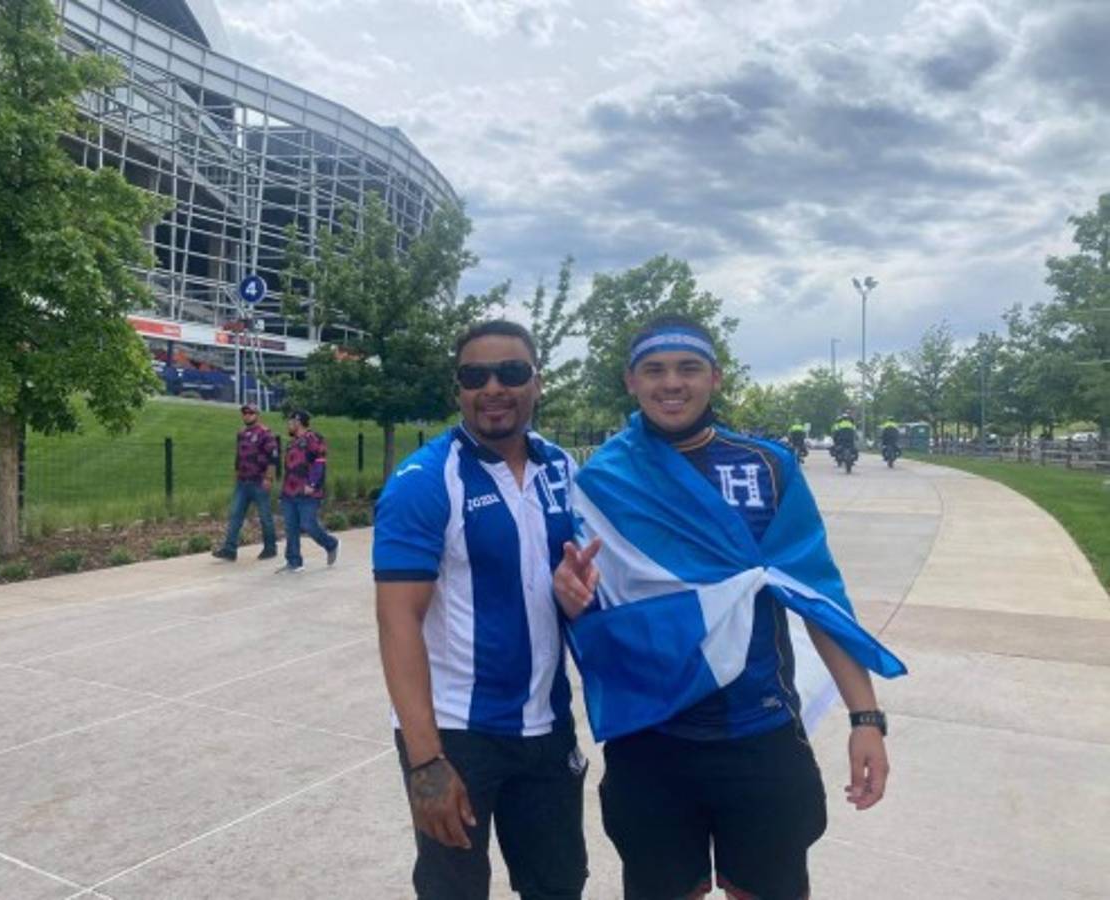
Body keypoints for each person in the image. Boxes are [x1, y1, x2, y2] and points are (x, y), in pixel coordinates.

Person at [553, 314, 905, 900]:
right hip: (652, 737)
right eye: (655, 370)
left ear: (715, 377)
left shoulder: (768, 467)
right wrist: (569, 595)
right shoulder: (602, 479)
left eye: (688, 368)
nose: (672, 383)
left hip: (759, 730)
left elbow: (818, 596)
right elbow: (600, 610)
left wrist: (865, 719)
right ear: (631, 381)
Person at [373, 319, 588, 900]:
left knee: (559, 885)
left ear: (536, 382)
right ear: (458, 389)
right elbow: (397, 623)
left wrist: (577, 595)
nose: (493, 387)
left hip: (547, 724)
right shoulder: (424, 480)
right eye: (476, 375)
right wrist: (425, 761)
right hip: (456, 735)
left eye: (511, 372)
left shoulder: (562, 470)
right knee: (454, 892)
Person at [212, 403, 278, 561]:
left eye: (250, 413)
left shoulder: (265, 433)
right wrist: (236, 475)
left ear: (257, 415)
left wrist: (269, 478)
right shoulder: (241, 433)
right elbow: (238, 457)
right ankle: (229, 550)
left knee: (265, 517)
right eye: (244, 413)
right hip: (243, 483)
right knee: (235, 514)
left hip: (259, 481)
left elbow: (273, 457)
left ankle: (270, 548)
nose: (247, 415)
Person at [277, 409, 339, 573]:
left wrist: (312, 483)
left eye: (290, 422)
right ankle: (294, 561)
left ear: (298, 422)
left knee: (308, 524)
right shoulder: (292, 442)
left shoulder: (314, 438)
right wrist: (282, 492)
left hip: (309, 492)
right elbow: (289, 469)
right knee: (291, 528)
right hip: (289, 492)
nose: (288, 425)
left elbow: (320, 462)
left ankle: (330, 543)